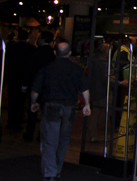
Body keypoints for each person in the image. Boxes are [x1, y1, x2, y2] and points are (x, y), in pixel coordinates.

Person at [31, 42, 91, 181]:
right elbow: (85, 89)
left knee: (50, 140)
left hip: (51, 106)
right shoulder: (76, 69)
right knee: (64, 138)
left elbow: (35, 90)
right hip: (69, 107)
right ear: (70, 53)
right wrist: (86, 104)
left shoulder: (47, 68)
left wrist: (34, 103)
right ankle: (57, 168)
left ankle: (50, 171)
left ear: (54, 52)